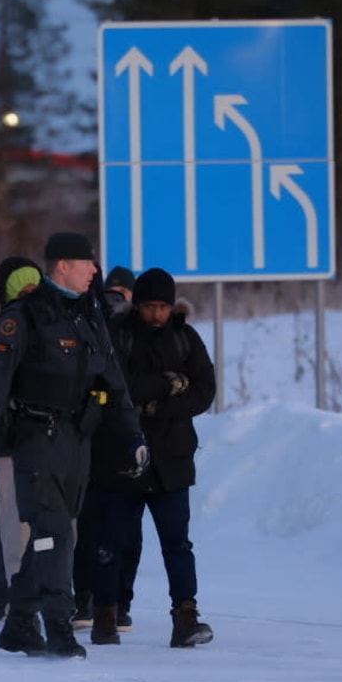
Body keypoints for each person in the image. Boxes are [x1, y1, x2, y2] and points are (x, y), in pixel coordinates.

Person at [0, 233, 145, 659]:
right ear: (63, 265)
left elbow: (112, 381)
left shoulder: (89, 315)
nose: (95, 272)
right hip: (33, 438)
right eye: (88, 264)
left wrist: (133, 434)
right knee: (54, 533)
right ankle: (57, 623)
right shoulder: (24, 317)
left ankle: (19, 623)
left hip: (75, 440)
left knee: (54, 533)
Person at [88, 267, 217, 647]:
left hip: (171, 462)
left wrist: (154, 406)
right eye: (149, 306)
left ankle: (185, 617)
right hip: (121, 457)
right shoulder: (118, 336)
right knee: (113, 541)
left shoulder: (185, 339)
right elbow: (117, 388)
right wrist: (167, 384)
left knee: (177, 543)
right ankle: (105, 618)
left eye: (163, 306)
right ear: (137, 305)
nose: (156, 314)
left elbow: (204, 391)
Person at [75, 265, 138, 630]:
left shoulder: (131, 333)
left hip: (121, 440)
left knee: (126, 530)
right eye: (109, 293)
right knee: (85, 525)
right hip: (88, 439)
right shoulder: (88, 325)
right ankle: (84, 598)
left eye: (122, 294)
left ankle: (119, 602)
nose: (115, 301)